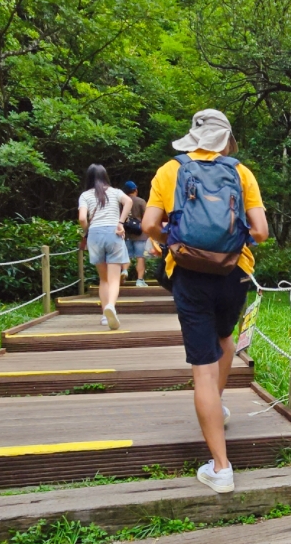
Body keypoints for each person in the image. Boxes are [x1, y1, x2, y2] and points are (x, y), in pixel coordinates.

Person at [142, 110, 269, 493]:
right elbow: (260, 232)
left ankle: (221, 467)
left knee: (202, 366)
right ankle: (216, 405)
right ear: (226, 140)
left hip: (189, 273)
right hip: (234, 272)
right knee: (225, 339)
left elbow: (149, 225)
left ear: (193, 138)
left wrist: (172, 238)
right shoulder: (241, 172)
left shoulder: (170, 170)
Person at [77, 164, 131, 330]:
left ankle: (104, 315)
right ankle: (111, 307)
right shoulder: (115, 192)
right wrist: (120, 222)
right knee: (114, 278)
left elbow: (82, 219)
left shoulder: (85, 195)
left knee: (104, 279)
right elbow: (128, 201)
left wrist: (87, 232)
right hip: (113, 233)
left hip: (95, 235)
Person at [122, 180, 150, 287]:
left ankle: (124, 271)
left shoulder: (122, 202)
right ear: (135, 190)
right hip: (140, 234)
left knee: (126, 256)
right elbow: (147, 217)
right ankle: (140, 280)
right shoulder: (141, 201)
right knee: (140, 257)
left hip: (126, 234)